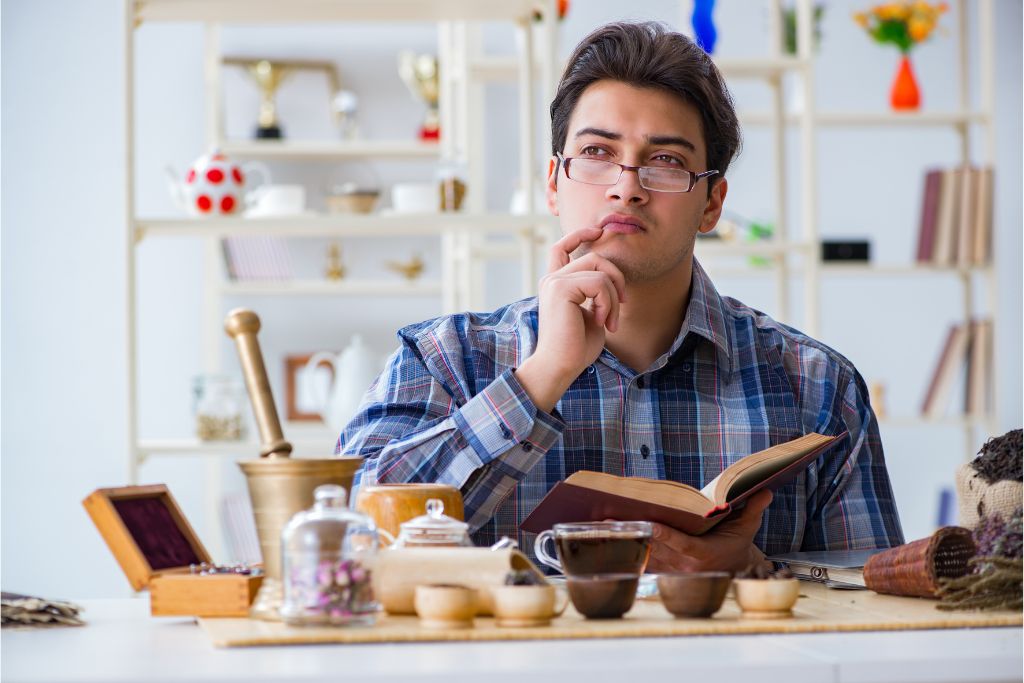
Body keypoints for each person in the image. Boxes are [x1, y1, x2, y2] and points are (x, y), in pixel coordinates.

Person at [340, 21, 904, 572]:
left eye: (666, 161)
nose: (626, 185)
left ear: (712, 203)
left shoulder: (819, 386)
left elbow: (874, 610)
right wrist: (541, 378)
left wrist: (757, 572)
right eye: (596, 152)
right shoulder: (443, 359)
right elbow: (342, 544)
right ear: (554, 182)